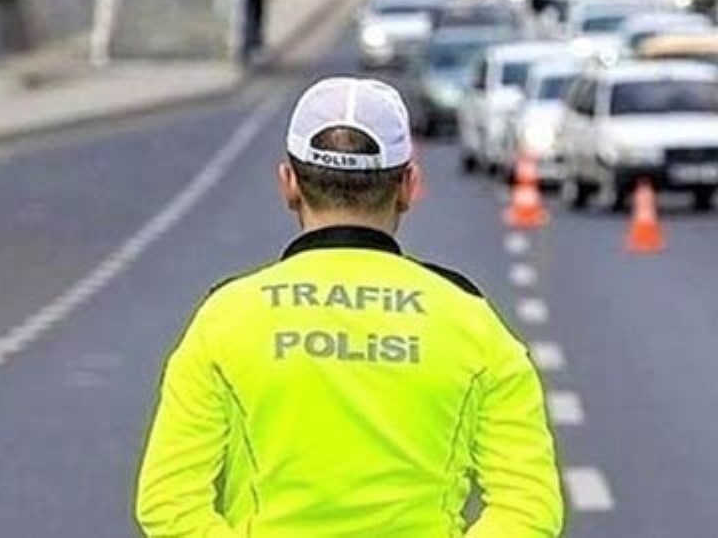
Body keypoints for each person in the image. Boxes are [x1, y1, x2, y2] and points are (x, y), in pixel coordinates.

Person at [135, 77, 564, 537]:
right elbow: (528, 508)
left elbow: (168, 503)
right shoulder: (471, 322)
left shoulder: (227, 318)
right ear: (408, 186)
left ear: (289, 184)